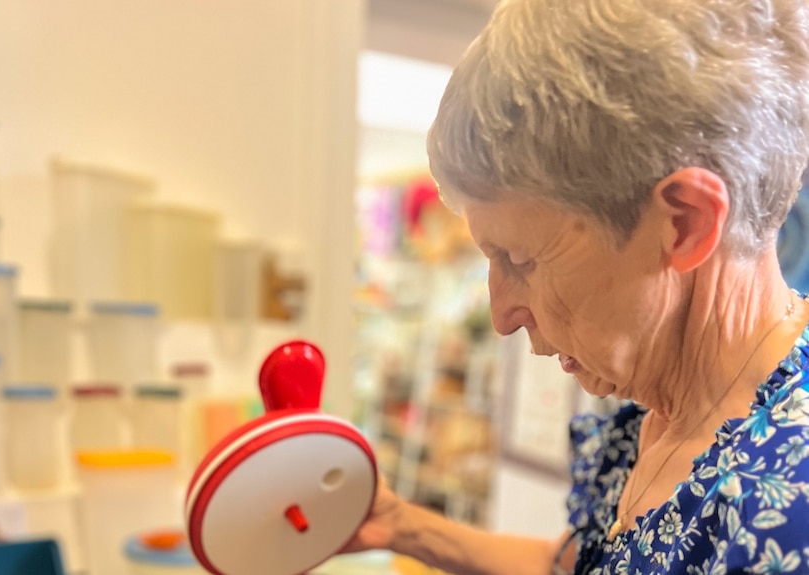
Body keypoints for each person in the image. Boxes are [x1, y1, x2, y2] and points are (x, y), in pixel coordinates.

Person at [342, 0, 809, 573]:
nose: (502, 314)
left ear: (684, 223)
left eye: (519, 257)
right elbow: (572, 566)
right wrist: (398, 524)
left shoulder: (788, 520)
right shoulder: (661, 401)